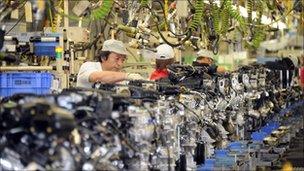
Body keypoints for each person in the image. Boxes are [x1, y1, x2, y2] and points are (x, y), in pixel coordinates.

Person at [76, 39, 144, 88]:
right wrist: (127, 76)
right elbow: (97, 76)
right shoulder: (88, 66)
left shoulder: (120, 79)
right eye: (117, 59)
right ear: (103, 57)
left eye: (123, 60)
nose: (120, 64)